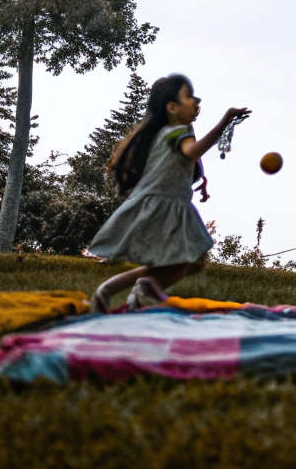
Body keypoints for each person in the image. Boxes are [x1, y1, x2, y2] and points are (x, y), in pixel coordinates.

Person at [88, 74, 250, 313]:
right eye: (189, 96)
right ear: (172, 107)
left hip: (157, 202)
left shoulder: (163, 132)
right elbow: (192, 152)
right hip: (164, 205)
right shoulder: (179, 131)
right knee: (184, 261)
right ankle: (142, 289)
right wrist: (222, 123)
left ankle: (113, 291)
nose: (197, 101)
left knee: (178, 262)